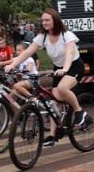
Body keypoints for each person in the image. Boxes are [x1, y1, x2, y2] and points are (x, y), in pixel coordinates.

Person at [5, 9, 89, 146]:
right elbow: (27, 52)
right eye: (42, 20)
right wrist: (13, 64)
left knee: (62, 88)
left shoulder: (66, 35)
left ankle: (80, 112)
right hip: (58, 69)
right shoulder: (42, 37)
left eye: (47, 20)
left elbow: (69, 53)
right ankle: (52, 135)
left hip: (73, 66)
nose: (44, 22)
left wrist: (65, 69)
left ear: (55, 20)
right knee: (52, 102)